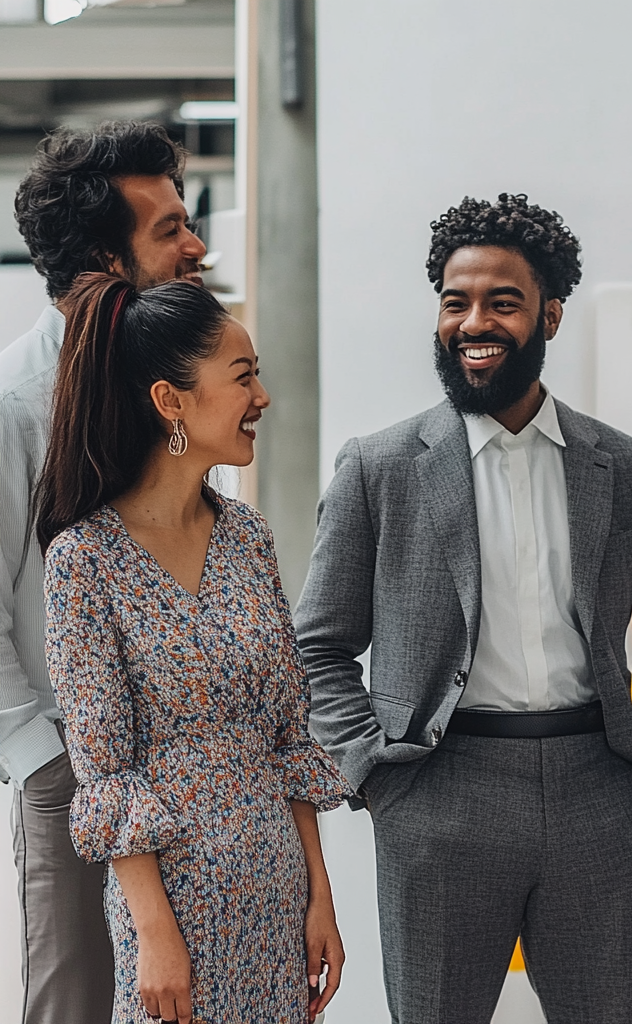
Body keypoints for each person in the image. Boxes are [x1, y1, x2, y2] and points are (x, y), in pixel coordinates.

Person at [295, 193, 632, 1024]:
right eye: (456, 301)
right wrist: (376, 776)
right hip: (439, 798)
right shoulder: (379, 469)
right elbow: (318, 646)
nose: (473, 321)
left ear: (550, 314)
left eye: (502, 302)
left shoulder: (630, 470)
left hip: (604, 796)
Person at [36, 273, 349, 1024]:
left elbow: (288, 739)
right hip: (173, 908)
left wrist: (320, 900)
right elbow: (105, 772)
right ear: (169, 401)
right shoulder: (84, 561)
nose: (262, 398)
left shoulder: (248, 538)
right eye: (243, 378)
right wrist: (153, 932)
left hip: (276, 892)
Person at [0, 120, 206, 1024]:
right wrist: (44, 766)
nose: (195, 245)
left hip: (191, 769)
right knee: (77, 1007)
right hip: (72, 772)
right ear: (100, 260)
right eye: (168, 229)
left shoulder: (178, 389)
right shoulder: (13, 406)